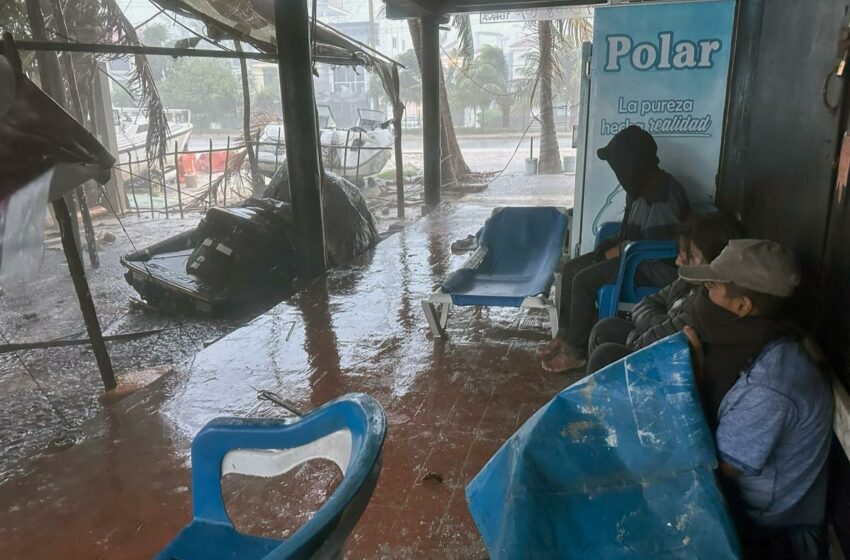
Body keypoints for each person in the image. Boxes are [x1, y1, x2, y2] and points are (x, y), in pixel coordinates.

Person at [680, 239, 833, 559]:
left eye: (712, 286)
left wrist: (694, 382)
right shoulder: (757, 339)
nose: (704, 295)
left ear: (742, 307)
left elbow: (721, 468)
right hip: (740, 490)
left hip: (759, 518)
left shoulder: (770, 385)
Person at [541, 125, 690, 373]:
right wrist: (611, 249)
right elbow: (627, 233)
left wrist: (621, 252)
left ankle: (576, 353)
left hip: (653, 270)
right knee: (572, 268)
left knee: (583, 280)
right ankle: (567, 336)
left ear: (633, 163)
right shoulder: (638, 187)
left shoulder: (661, 195)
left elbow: (661, 249)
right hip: (632, 258)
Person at [584, 211, 743, 373]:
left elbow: (662, 342)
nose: (678, 261)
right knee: (605, 328)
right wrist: (661, 323)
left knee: (604, 356)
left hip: (672, 366)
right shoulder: (686, 282)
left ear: (717, 258)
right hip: (652, 341)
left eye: (689, 256)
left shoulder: (708, 300)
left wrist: (642, 334)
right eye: (681, 254)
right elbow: (645, 304)